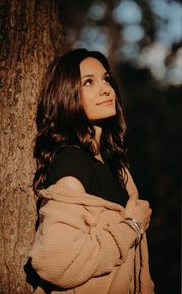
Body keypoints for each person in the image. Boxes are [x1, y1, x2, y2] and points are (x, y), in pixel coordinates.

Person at [29, 49, 154, 294]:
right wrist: (132, 228)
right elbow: (56, 263)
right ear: (67, 96)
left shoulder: (116, 168)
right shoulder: (72, 163)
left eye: (106, 78)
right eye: (88, 82)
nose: (106, 89)